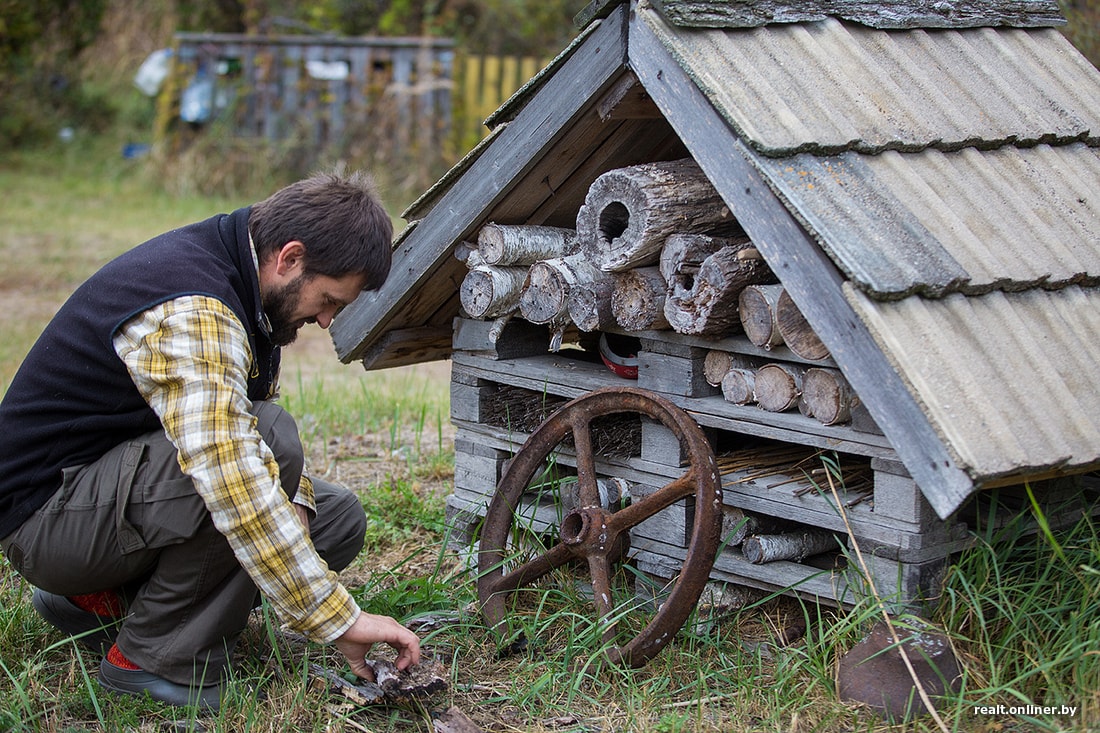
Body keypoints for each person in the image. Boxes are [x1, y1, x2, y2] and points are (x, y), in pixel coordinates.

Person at [0, 170, 421, 711]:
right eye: (327, 299)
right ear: (289, 258)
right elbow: (229, 469)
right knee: (269, 442)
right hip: (47, 522)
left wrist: (292, 510)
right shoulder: (196, 306)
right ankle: (153, 657)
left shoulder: (245, 273)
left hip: (99, 496)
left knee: (333, 520)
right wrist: (338, 620)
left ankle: (97, 602)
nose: (324, 319)